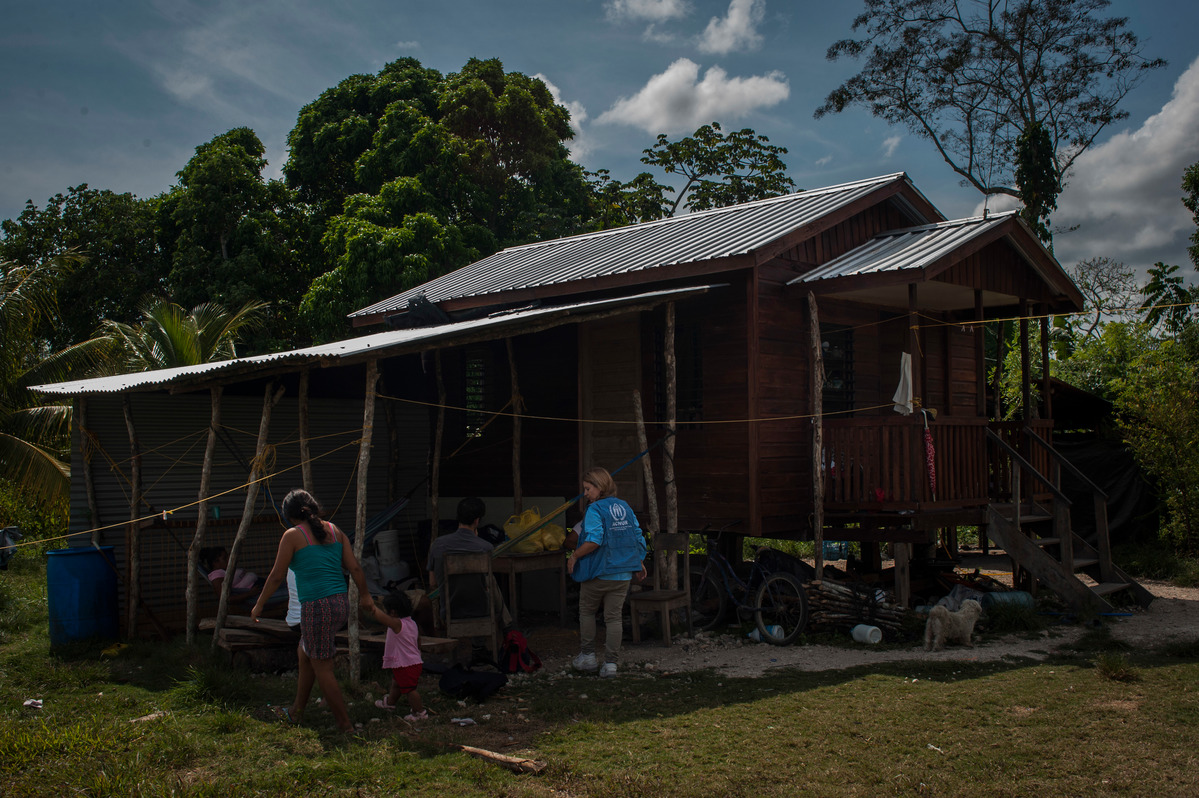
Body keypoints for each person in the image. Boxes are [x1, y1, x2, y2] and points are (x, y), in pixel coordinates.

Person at [251, 488, 374, 733]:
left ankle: (345, 725)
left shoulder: (292, 536)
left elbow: (276, 576)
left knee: (323, 667)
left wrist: (260, 604)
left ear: (289, 515)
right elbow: (356, 569)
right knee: (304, 652)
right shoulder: (335, 531)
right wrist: (365, 596)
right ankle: (296, 711)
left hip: (317, 607)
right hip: (339, 603)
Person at [567, 467, 647, 678]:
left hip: (599, 571)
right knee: (614, 618)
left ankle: (588, 657)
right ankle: (611, 664)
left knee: (587, 611)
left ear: (600, 487)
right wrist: (638, 560)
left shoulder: (595, 510)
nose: (585, 494)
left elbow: (594, 540)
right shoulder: (624, 506)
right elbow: (636, 535)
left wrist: (574, 556)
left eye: (588, 488)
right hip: (622, 574)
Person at [425, 497, 513, 629]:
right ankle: (507, 627)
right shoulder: (486, 547)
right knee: (491, 581)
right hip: (481, 610)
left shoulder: (437, 545)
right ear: (477, 521)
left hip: (450, 611)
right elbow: (485, 584)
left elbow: (433, 583)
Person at [369, 591, 427, 722]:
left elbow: (380, 617)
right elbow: (418, 640)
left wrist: (371, 607)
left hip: (406, 663)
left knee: (410, 690)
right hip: (412, 662)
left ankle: (420, 712)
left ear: (393, 612)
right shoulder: (412, 623)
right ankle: (390, 703)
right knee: (397, 683)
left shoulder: (397, 624)